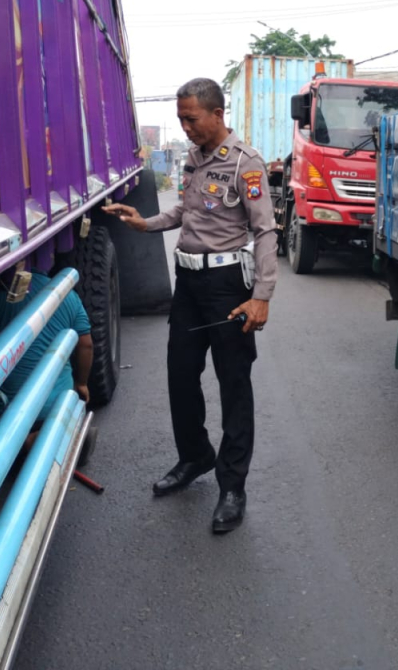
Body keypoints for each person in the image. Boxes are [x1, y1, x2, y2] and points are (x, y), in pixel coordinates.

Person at [103, 78, 277, 534]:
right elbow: (186, 213)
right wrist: (146, 224)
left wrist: (261, 297)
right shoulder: (196, 162)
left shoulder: (247, 164)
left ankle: (232, 486)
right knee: (181, 375)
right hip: (189, 284)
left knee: (233, 384)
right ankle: (195, 455)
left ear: (218, 115)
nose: (185, 128)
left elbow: (266, 232)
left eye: (191, 119)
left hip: (227, 287)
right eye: (181, 119)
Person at [0, 265, 95, 457]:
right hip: (54, 407)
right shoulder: (66, 294)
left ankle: (20, 445)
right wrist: (82, 383)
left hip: (5, 409)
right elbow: (86, 345)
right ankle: (49, 439)